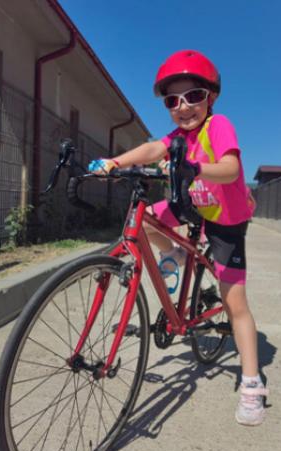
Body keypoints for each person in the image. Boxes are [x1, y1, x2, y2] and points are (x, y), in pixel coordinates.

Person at [89, 49, 268, 426]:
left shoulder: (218, 126)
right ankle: (178, 255)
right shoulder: (177, 137)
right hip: (194, 204)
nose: (183, 106)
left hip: (226, 218)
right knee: (143, 220)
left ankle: (252, 383)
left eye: (193, 96)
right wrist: (115, 162)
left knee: (234, 301)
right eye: (172, 100)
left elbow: (230, 168)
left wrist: (194, 167)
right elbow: (153, 148)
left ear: (211, 97)